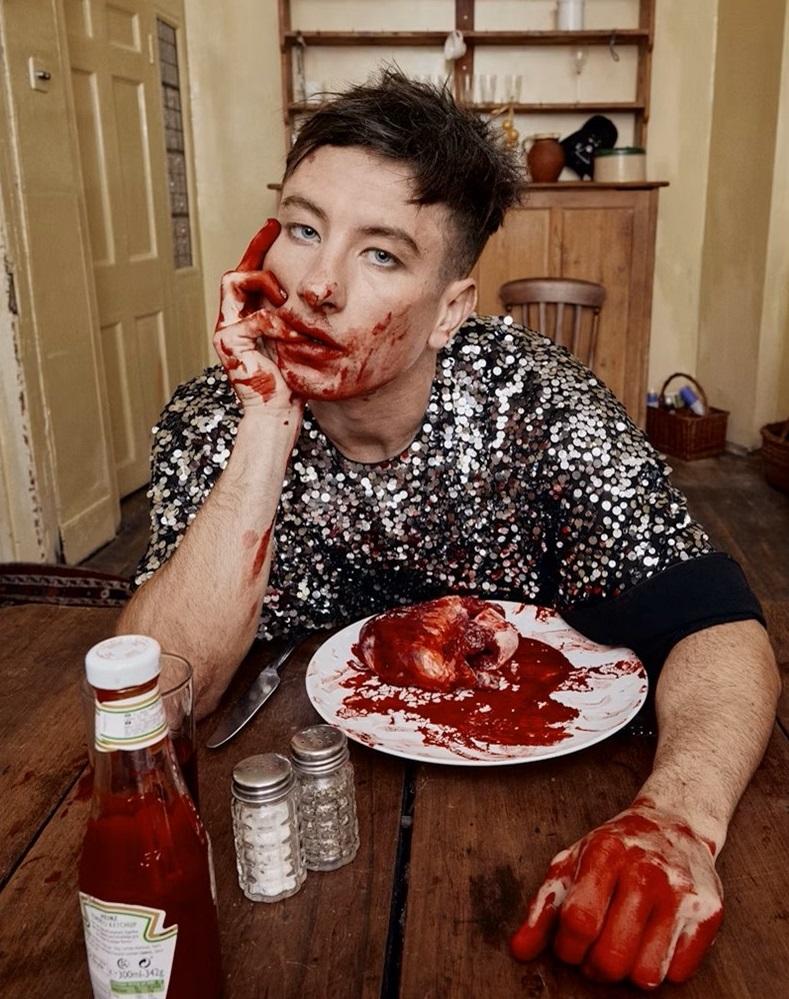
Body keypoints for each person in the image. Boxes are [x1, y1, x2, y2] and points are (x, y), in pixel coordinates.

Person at [118, 70, 779, 990]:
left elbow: (716, 626)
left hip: (531, 809)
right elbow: (152, 704)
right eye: (302, 229)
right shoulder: (211, 415)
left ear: (451, 311)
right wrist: (266, 420)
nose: (315, 284)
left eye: (380, 255)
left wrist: (676, 817)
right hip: (301, 832)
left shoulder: (541, 403)